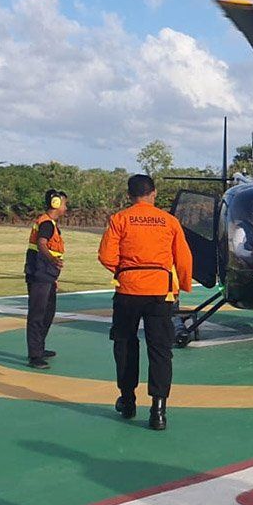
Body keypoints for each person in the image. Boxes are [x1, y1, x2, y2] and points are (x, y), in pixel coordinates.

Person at [97, 175, 193, 431]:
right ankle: (158, 410)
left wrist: (125, 271)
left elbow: (106, 256)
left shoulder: (120, 219)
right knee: (160, 349)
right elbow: (183, 258)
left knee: (125, 344)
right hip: (160, 291)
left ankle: (128, 401)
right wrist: (182, 284)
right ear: (153, 194)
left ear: (130, 196)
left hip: (128, 290)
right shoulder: (169, 221)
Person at [24, 189, 67, 369]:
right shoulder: (47, 224)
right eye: (64, 204)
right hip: (40, 273)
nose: (66, 208)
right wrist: (52, 259)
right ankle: (35, 355)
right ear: (56, 204)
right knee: (37, 314)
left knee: (48, 312)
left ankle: (39, 348)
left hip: (47, 275)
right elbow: (42, 243)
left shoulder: (51, 223)